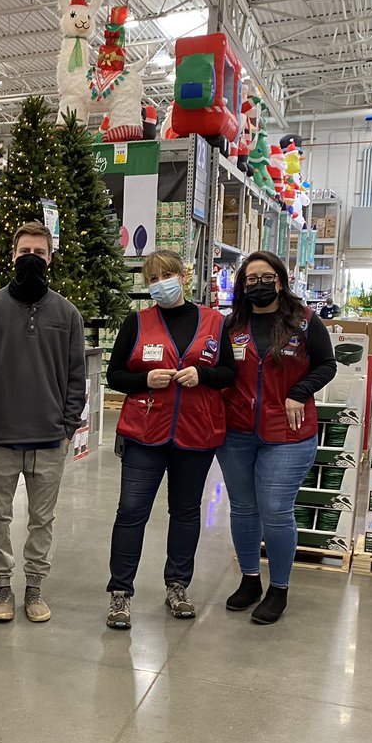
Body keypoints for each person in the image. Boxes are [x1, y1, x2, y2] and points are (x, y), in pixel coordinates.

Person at [103, 249, 236, 630]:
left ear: (182, 276)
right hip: (145, 433)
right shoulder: (138, 322)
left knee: (186, 512)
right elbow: (115, 376)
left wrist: (203, 376)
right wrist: (145, 379)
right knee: (131, 512)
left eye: (165, 275)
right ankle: (120, 593)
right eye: (150, 279)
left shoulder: (214, 322)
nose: (158, 284)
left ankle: (177, 586)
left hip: (196, 433)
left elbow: (227, 372)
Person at [0, 221, 86, 624]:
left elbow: (76, 376)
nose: (31, 259)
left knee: (43, 520)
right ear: (12, 256)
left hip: (50, 438)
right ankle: (3, 587)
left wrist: (69, 427)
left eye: (39, 253)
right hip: (0, 438)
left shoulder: (67, 313)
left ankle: (34, 588)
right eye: (25, 253)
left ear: (50, 258)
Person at [217, 250, 337, 625]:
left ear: (280, 281)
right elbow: (220, 370)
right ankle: (250, 579)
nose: (258, 284)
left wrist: (299, 392)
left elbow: (327, 364)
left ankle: (279, 588)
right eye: (250, 279)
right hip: (236, 431)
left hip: (288, 431)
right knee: (243, 508)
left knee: (275, 509)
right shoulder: (231, 325)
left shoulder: (304, 322)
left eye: (265, 277)